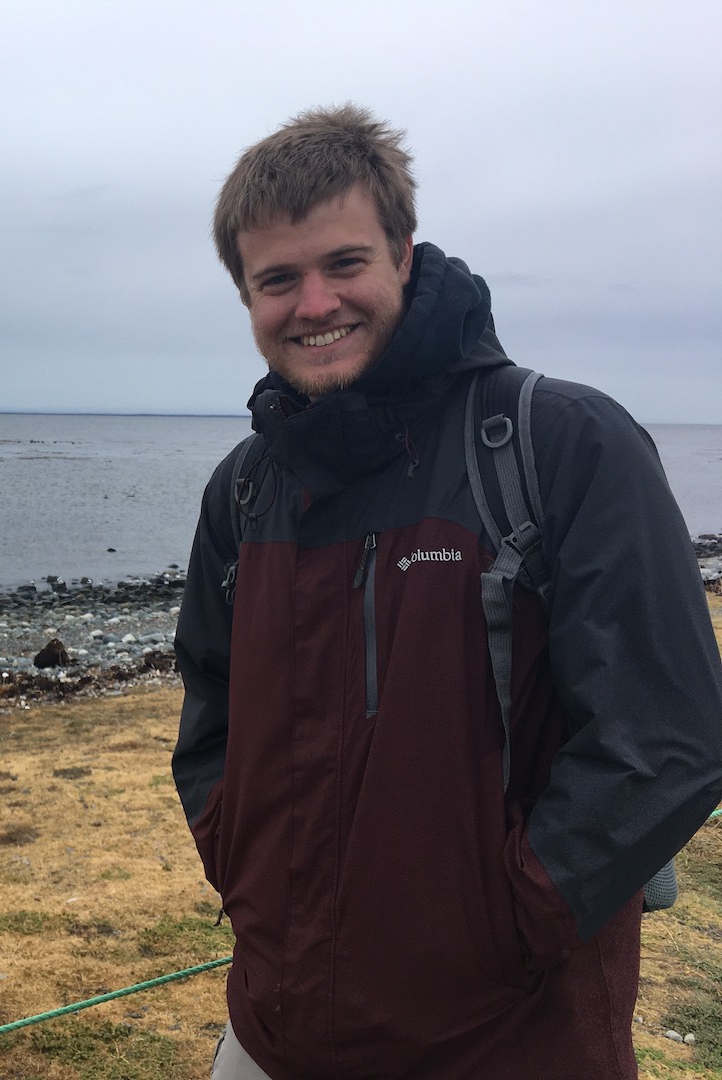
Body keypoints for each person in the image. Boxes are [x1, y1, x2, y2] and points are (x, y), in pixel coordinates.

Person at [172, 103, 722, 1080]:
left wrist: (513, 920)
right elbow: (212, 713)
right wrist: (245, 873)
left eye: (344, 264)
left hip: (507, 1044)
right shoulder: (244, 490)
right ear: (247, 296)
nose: (313, 304)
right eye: (277, 279)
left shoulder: (565, 446)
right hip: (273, 1030)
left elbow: (669, 736)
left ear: (405, 257)